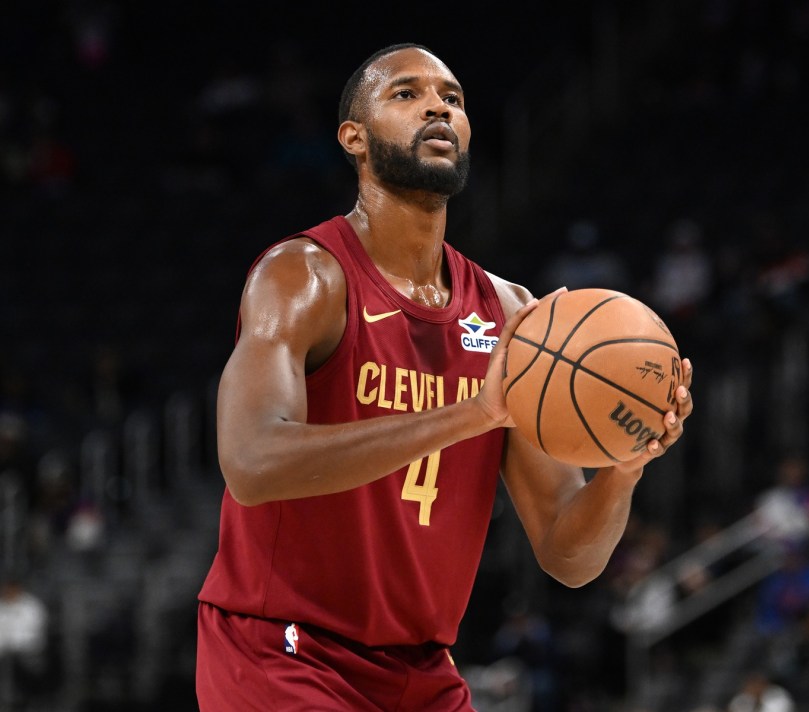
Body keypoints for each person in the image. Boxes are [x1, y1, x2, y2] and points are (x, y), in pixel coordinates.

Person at [195, 42, 694, 711]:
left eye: (452, 98)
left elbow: (569, 557)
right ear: (355, 138)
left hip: (419, 670)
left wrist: (624, 466)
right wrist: (474, 414)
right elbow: (252, 463)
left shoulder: (512, 314)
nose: (437, 105)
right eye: (406, 93)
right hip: (284, 650)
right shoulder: (304, 276)